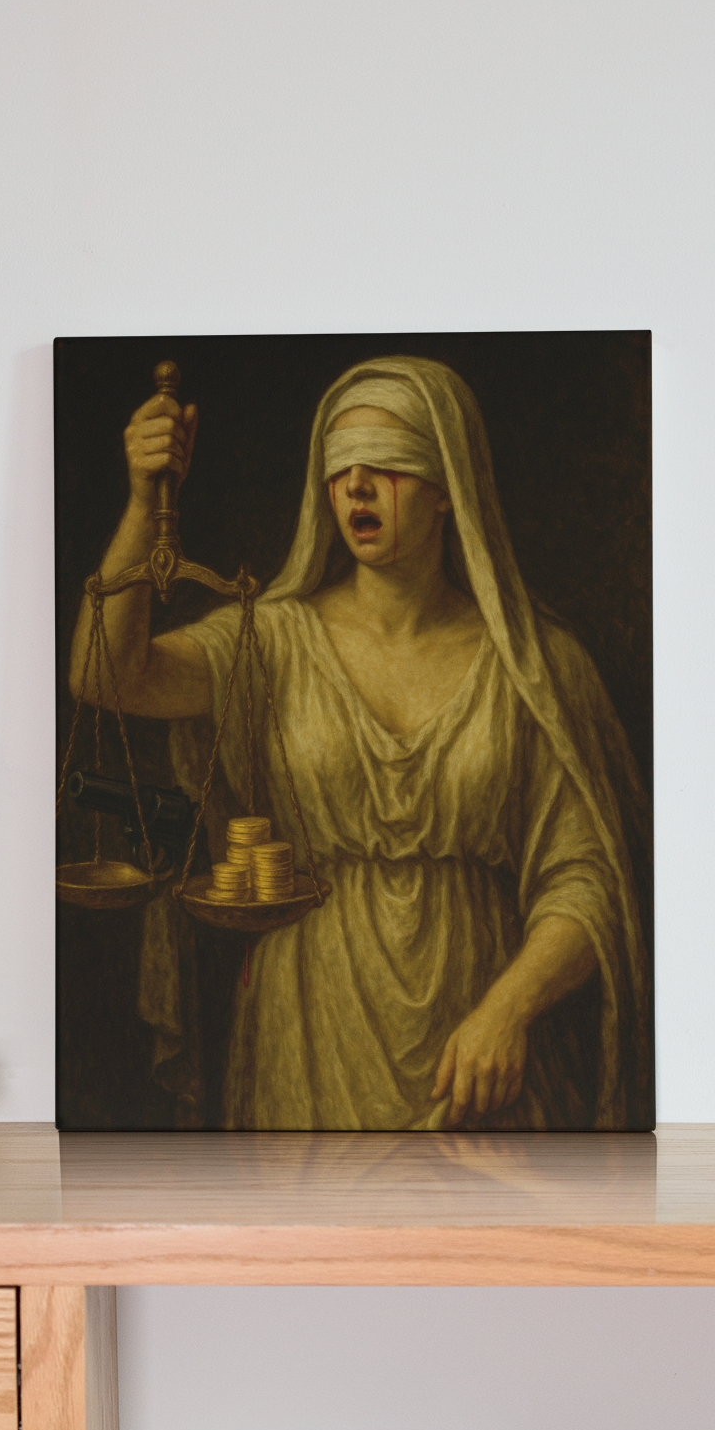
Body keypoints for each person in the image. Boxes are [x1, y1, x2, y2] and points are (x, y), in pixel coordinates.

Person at [68, 355, 652, 1130]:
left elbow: (590, 881)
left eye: (390, 466)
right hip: (305, 1042)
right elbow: (106, 677)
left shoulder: (533, 666)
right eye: (341, 470)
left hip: (477, 1056)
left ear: (449, 487)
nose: (359, 487)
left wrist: (507, 1012)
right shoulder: (272, 642)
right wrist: (146, 503)